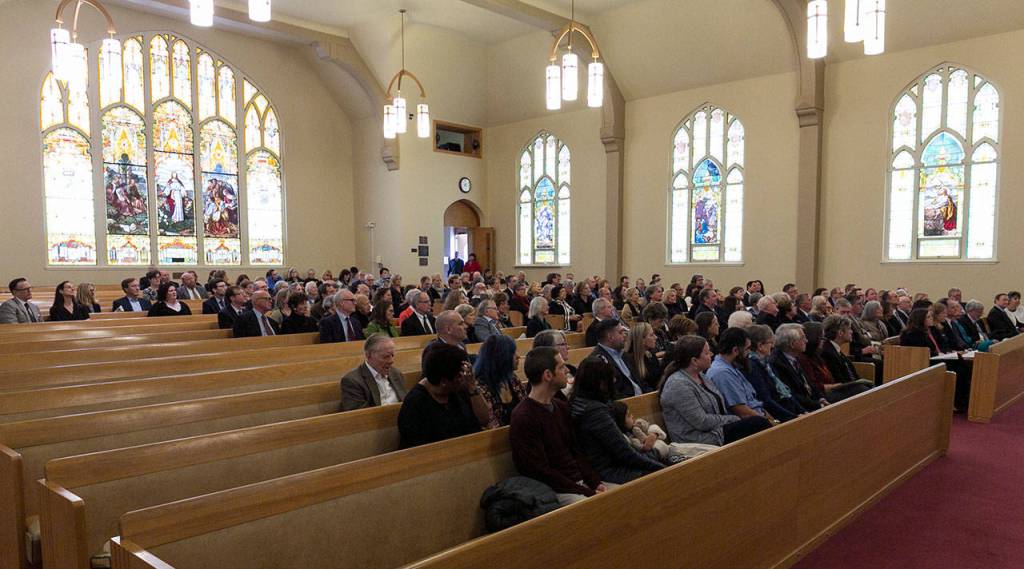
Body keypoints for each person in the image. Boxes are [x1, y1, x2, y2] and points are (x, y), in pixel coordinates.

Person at [510, 347, 610, 505]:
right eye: (562, 367)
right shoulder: (523, 417)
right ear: (548, 375)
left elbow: (577, 451)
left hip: (580, 484)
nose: (567, 371)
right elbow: (540, 471)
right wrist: (588, 492)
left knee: (627, 495)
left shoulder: (561, 407)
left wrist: (596, 482)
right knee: (602, 507)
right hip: (556, 490)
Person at [659, 336, 772, 446]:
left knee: (757, 423)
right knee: (757, 424)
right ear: (694, 361)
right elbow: (701, 422)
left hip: (715, 430)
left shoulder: (701, 376)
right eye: (707, 353)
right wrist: (734, 418)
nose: (712, 355)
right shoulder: (678, 385)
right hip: (697, 439)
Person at [569, 356, 664, 484]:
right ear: (601, 382)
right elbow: (624, 453)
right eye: (611, 377)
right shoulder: (594, 412)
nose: (614, 381)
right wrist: (663, 469)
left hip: (608, 464)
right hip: (611, 470)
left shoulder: (578, 401)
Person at [397, 343, 488, 449]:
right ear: (444, 381)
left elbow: (484, 420)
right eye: (459, 376)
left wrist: (473, 387)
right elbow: (420, 448)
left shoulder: (460, 389)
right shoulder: (415, 403)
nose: (464, 379)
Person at [705, 327, 775, 421]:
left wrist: (773, 421)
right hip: (753, 424)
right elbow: (742, 411)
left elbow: (754, 403)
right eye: (747, 349)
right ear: (735, 351)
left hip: (759, 418)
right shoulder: (722, 373)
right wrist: (769, 423)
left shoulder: (733, 366)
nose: (749, 352)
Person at [744, 325, 805, 422]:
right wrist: (793, 417)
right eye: (771, 343)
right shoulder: (753, 366)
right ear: (760, 346)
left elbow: (787, 392)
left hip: (789, 411)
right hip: (781, 417)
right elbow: (766, 399)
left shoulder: (765, 363)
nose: (773, 346)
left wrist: (803, 411)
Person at [799, 321, 872, 403]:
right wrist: (835, 386)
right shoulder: (821, 354)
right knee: (861, 390)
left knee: (867, 387)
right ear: (814, 339)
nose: (824, 341)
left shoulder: (817, 355)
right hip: (823, 394)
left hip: (833, 389)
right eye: (822, 338)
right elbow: (814, 386)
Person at [340, 335, 408, 411]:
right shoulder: (352, 381)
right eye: (385, 357)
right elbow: (360, 416)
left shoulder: (396, 373)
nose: (391, 361)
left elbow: (406, 403)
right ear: (368, 355)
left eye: (392, 355)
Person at [473, 334, 528, 428]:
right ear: (502, 356)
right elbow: (491, 425)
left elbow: (526, 408)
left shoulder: (512, 379)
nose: (518, 356)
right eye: (513, 353)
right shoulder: (481, 386)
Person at [769, 324, 826, 411]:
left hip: (810, 402)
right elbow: (792, 394)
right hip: (799, 409)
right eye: (803, 338)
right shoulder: (777, 363)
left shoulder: (795, 357)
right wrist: (817, 405)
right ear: (792, 344)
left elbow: (808, 384)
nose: (806, 341)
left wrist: (820, 398)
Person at [591, 319, 652, 399]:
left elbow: (640, 381)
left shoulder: (624, 355)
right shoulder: (598, 361)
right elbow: (611, 393)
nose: (625, 335)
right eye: (620, 332)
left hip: (642, 398)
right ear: (610, 337)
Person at [623, 323, 662, 392]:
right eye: (651, 335)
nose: (656, 337)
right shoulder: (629, 360)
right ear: (642, 340)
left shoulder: (650, 355)